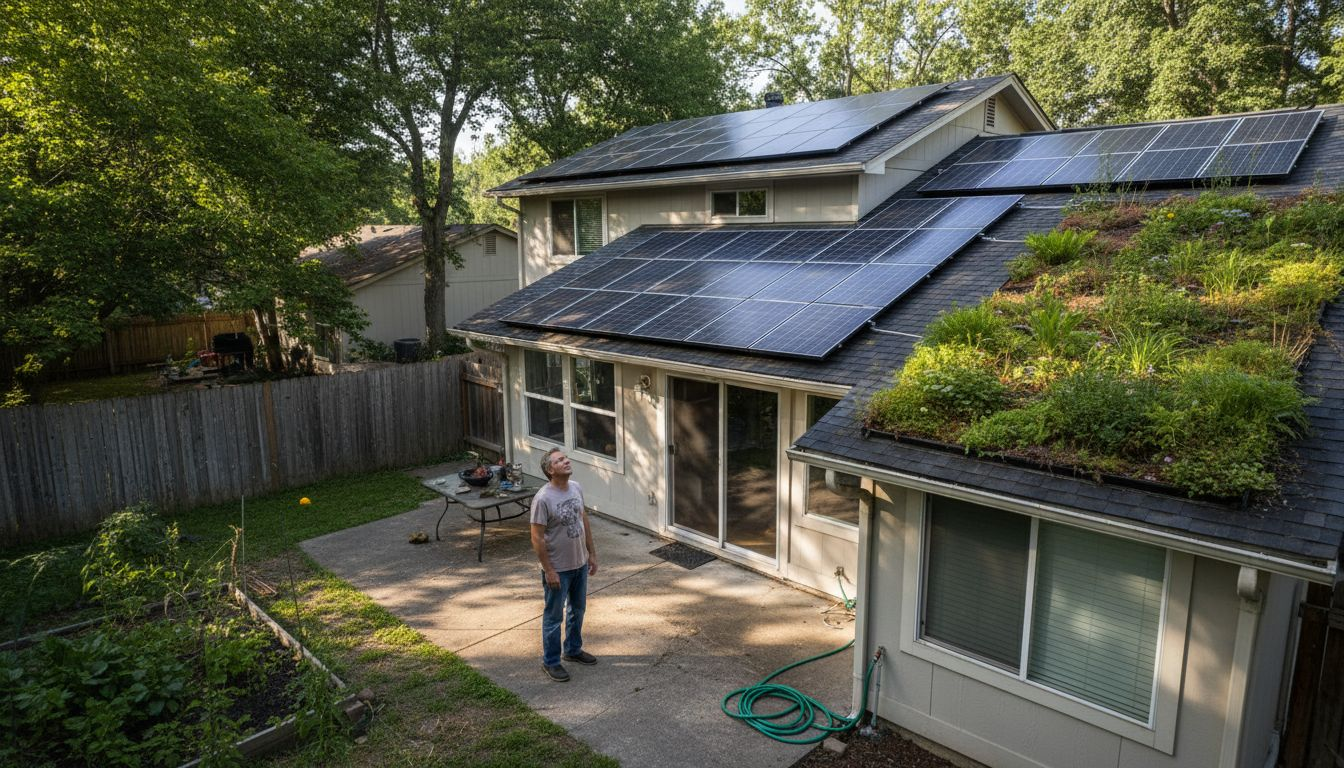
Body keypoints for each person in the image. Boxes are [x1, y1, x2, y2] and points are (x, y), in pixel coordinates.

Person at [530, 448, 599, 682]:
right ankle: (550, 661)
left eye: (565, 458)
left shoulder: (576, 487)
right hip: (558, 568)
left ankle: (572, 649)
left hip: (579, 563)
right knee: (553, 616)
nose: (566, 461)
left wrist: (591, 553)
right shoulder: (542, 499)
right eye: (560, 460)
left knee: (577, 610)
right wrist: (549, 570)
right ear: (550, 470)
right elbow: (537, 538)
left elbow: (583, 519)